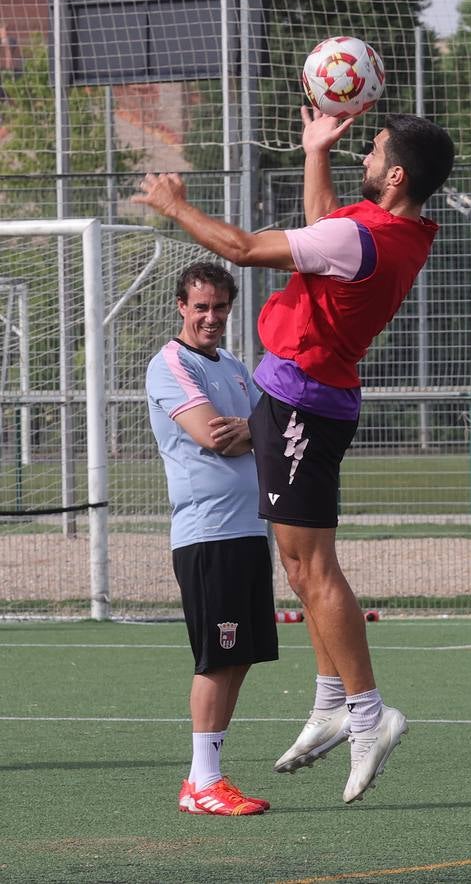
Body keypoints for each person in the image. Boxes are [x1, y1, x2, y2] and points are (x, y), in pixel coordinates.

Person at [134, 108, 455, 803]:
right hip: (310, 401)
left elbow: (245, 248)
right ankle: (331, 700)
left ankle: (369, 715)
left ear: (395, 175)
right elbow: (321, 235)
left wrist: (176, 206)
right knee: (299, 563)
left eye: (370, 152)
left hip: (301, 406)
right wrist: (315, 151)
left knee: (311, 567)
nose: (361, 159)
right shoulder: (399, 231)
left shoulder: (363, 235)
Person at [146, 262, 278, 816]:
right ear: (181, 306)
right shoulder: (169, 364)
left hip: (250, 529)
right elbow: (217, 437)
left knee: (240, 657)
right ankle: (202, 783)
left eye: (220, 307)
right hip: (207, 534)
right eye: (201, 307)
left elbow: (258, 430)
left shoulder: (234, 365)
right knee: (215, 659)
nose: (211, 318)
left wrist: (256, 429)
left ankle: (206, 778)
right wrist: (258, 430)